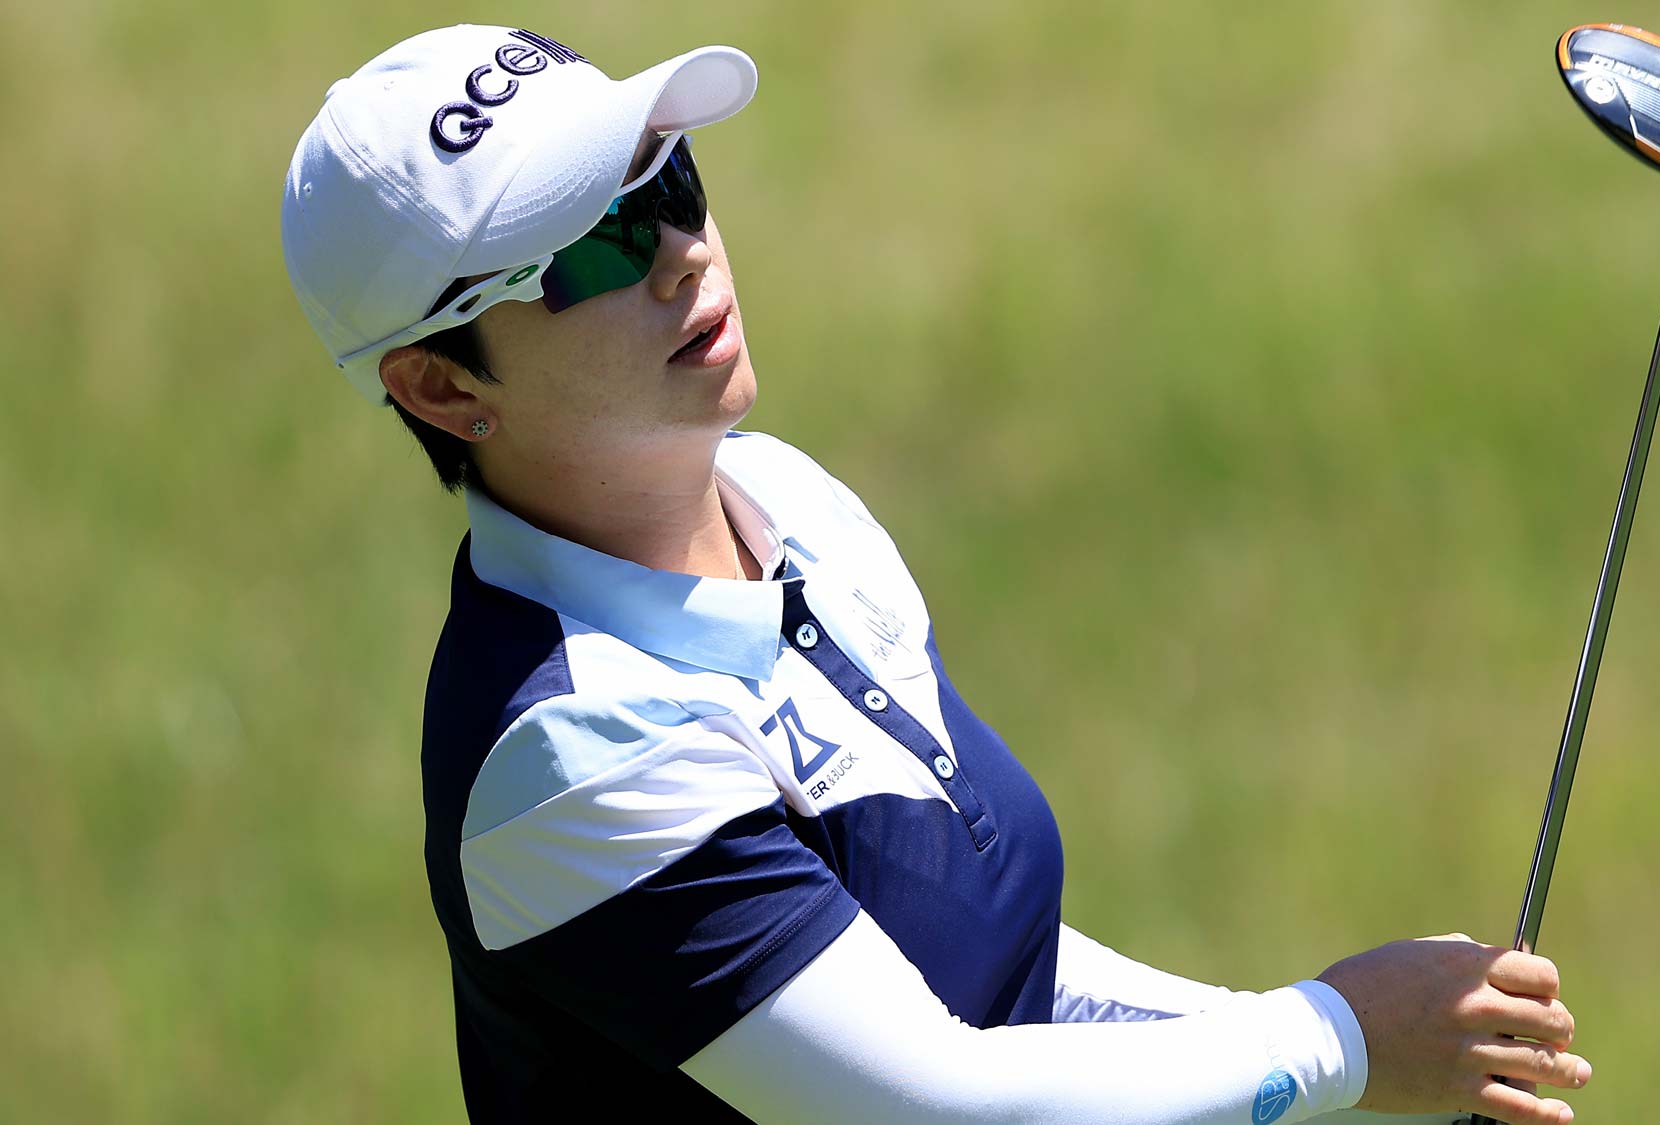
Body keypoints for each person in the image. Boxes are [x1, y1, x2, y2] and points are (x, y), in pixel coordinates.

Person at [280, 24, 1592, 1125]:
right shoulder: (572, 751)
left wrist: (1333, 1049)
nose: (681, 250)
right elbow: (937, 1105)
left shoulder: (787, 500)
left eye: (671, 181)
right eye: (595, 247)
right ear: (443, 386)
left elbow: (996, 979)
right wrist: (1336, 1039)